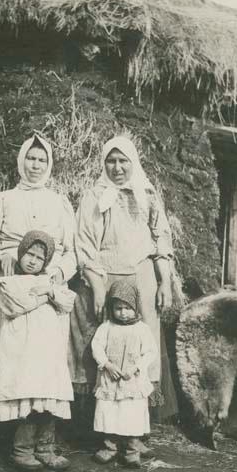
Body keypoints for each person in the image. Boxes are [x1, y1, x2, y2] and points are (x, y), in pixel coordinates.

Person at [69, 135, 178, 435]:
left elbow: (161, 239)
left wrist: (164, 282)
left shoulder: (148, 194)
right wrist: (96, 284)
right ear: (104, 164)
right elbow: (85, 244)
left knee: (139, 346)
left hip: (141, 278)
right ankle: (101, 429)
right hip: (104, 277)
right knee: (103, 344)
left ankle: (135, 430)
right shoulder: (95, 196)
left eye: (123, 161)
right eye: (111, 161)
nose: (117, 168)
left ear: (133, 162)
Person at [0, 133, 77, 460]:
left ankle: (45, 444)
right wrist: (1, 258)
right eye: (31, 158)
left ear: (50, 164)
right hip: (10, 286)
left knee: (46, 366)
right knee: (14, 362)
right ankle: (17, 445)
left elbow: (71, 252)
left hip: (47, 289)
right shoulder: (3, 200)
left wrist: (58, 275)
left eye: (42, 159)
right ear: (22, 161)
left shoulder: (59, 202)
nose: (36, 165)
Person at [0, 230, 75, 472]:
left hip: (46, 352)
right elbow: (16, 305)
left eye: (39, 258)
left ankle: (45, 448)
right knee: (28, 397)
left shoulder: (49, 282)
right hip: (23, 352)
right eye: (29, 255)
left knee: (48, 397)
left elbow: (67, 302)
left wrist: (47, 291)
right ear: (21, 254)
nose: (33, 261)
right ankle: (22, 450)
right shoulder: (8, 280)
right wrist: (47, 296)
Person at [92, 280, 157, 468]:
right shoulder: (106, 327)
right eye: (118, 308)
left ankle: (132, 450)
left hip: (132, 381)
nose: (122, 312)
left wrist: (136, 367)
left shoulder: (142, 329)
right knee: (108, 412)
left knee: (132, 414)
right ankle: (109, 447)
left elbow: (150, 352)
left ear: (135, 307)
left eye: (127, 308)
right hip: (110, 379)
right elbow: (96, 346)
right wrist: (106, 364)